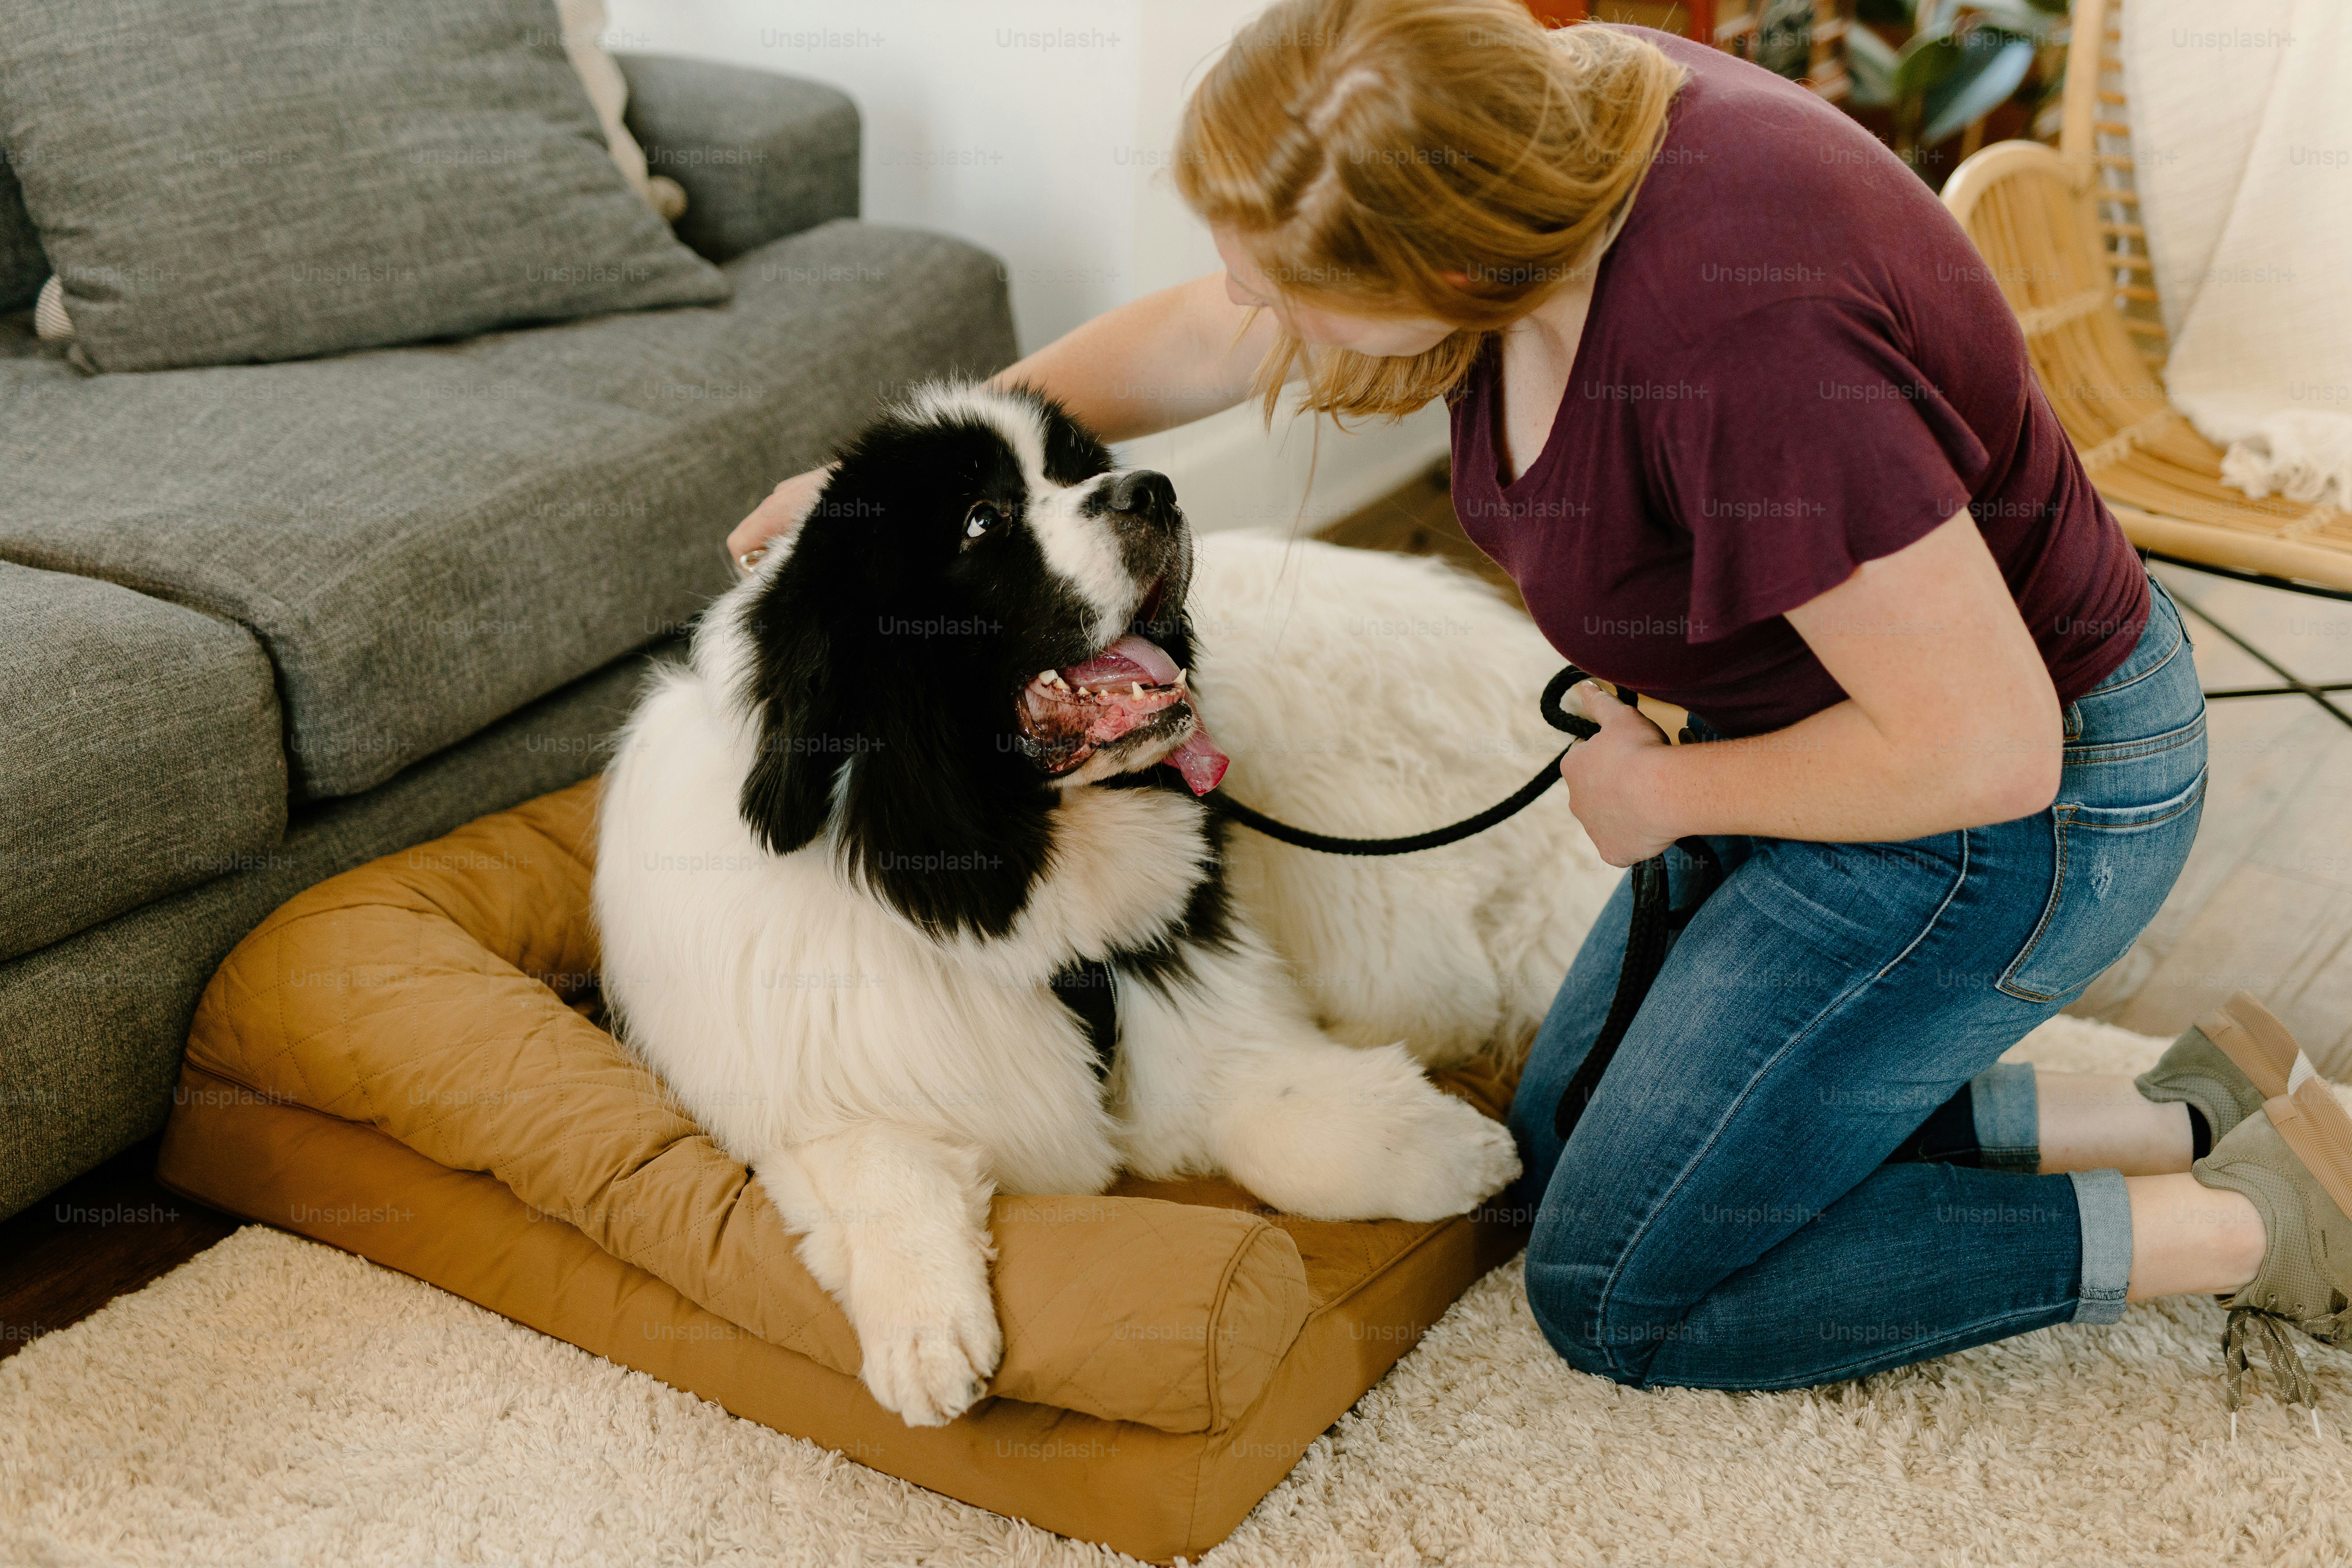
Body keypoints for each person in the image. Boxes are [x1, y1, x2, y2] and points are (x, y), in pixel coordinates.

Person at [726, 0, 2352, 1414]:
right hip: (1810, 727)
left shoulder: (1745, 344)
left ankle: (2255, 1218)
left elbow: (1984, 744)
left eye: (1293, 290)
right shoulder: (1524, 120)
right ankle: (2160, 1111)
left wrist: (1676, 803)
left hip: (2008, 810)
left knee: (1623, 1287)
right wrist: (894, 488)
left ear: (1441, 265)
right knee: (1560, 1133)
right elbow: (1215, 324)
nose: (1258, 313)